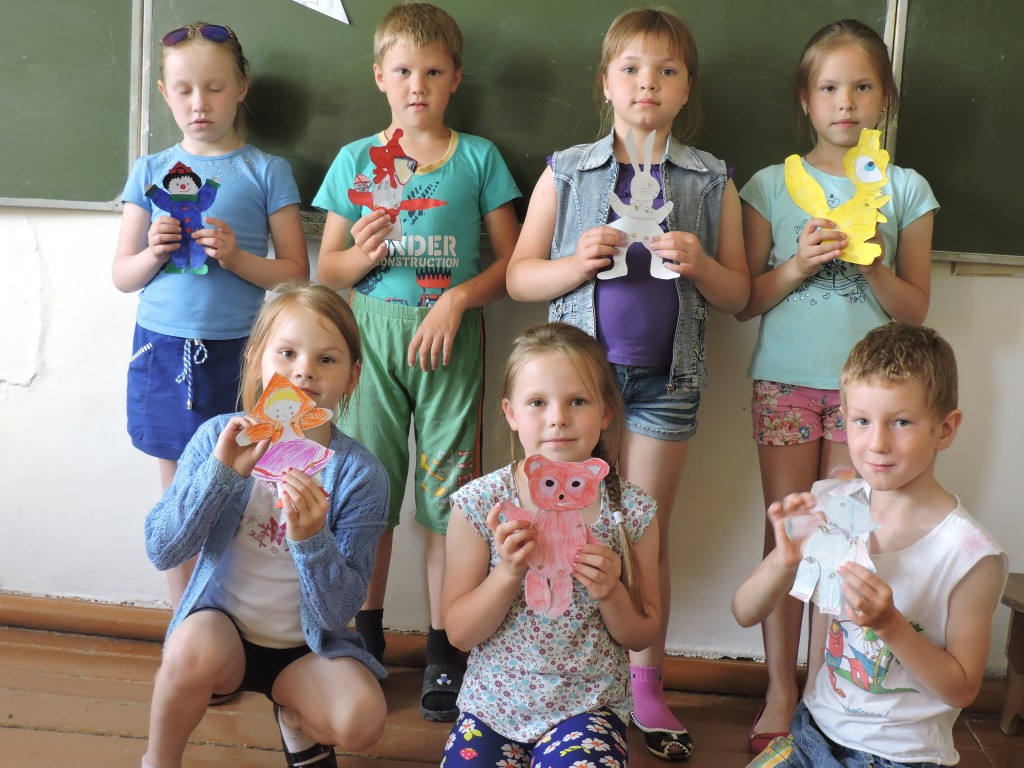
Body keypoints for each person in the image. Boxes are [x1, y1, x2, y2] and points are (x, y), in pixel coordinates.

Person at [505, 7, 749, 759]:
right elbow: (518, 277)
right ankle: (556, 676)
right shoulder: (567, 171)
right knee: (558, 525)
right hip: (579, 386)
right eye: (632, 68)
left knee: (642, 532)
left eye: (667, 71)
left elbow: (739, 293)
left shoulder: (711, 179)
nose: (649, 83)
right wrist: (573, 264)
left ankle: (646, 682)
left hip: (666, 380)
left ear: (686, 88)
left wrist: (702, 264)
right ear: (605, 83)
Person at [733, 19, 940, 752]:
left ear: (886, 99)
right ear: (805, 99)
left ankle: (825, 692)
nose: (845, 102)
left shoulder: (906, 189)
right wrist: (798, 263)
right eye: (828, 88)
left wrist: (872, 263)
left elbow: (916, 308)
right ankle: (778, 688)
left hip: (871, 404)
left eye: (862, 87)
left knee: (848, 541)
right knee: (790, 534)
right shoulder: (769, 186)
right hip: (787, 384)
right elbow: (746, 299)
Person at [313, 2, 520, 722]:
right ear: (380, 76)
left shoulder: (478, 158)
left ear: (455, 78)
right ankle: (362, 634)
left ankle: (443, 646)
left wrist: (457, 299)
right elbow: (327, 269)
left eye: (433, 72)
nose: (417, 85)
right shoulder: (355, 161)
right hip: (370, 346)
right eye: (403, 71)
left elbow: (513, 264)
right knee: (367, 494)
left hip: (449, 346)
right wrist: (361, 254)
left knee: (445, 501)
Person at [732, 322, 1007, 768]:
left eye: (901, 422)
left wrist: (890, 625)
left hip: (901, 756)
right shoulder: (834, 506)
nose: (877, 443)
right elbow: (744, 611)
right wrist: (784, 559)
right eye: (862, 421)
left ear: (945, 429)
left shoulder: (970, 555)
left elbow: (962, 688)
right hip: (812, 733)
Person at [141, 281, 389, 768]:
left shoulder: (360, 475)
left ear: (352, 377)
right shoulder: (218, 437)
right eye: (288, 353)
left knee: (362, 720)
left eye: (327, 359)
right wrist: (220, 476)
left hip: (306, 651)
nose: (304, 370)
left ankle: (294, 719)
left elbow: (340, 611)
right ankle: (158, 760)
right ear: (257, 359)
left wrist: (312, 540)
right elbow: (162, 548)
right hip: (220, 636)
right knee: (188, 649)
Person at [112, 22, 308, 608]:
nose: (200, 103)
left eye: (215, 88)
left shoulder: (266, 170)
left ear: (241, 88)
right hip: (164, 349)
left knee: (239, 485)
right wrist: (153, 252)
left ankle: (232, 618)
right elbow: (122, 274)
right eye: (184, 90)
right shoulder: (150, 170)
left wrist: (236, 257)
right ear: (164, 93)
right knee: (181, 495)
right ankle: (186, 621)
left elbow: (295, 273)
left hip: (242, 352)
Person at [441, 322, 661, 767]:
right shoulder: (481, 505)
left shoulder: (631, 511)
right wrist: (507, 572)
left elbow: (642, 634)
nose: (557, 417)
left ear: (605, 412)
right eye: (537, 402)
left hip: (587, 708)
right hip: (492, 707)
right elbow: (460, 634)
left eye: (577, 401)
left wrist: (611, 591)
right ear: (511, 413)